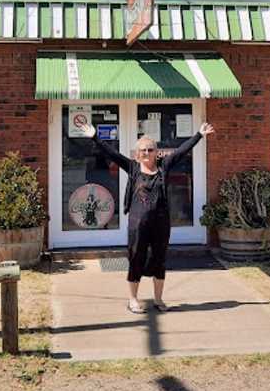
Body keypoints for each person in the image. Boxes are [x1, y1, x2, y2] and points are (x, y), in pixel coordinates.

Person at [83, 121, 214, 313]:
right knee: (136, 257)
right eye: (143, 150)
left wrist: (199, 135)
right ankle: (133, 299)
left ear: (156, 152)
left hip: (161, 222)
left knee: (159, 259)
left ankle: (159, 299)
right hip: (138, 224)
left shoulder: (164, 166)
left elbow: (180, 152)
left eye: (150, 149)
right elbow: (112, 154)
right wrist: (95, 137)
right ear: (137, 153)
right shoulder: (133, 168)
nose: (146, 153)